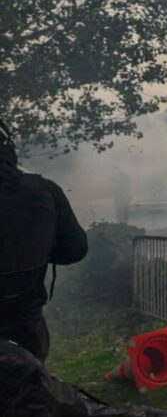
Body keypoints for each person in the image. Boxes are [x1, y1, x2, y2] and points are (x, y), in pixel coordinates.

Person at [0, 118, 88, 363]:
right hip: (25, 331)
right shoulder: (44, 190)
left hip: (26, 327)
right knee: (28, 396)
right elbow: (75, 249)